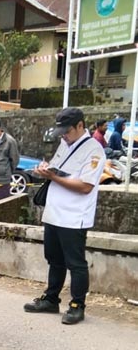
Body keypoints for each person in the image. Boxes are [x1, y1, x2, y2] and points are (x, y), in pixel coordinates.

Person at [24, 107, 106, 325]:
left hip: (74, 216)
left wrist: (54, 177)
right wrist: (44, 170)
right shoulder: (64, 144)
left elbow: (85, 185)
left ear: (80, 125)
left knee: (75, 263)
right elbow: (56, 168)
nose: (63, 135)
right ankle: (51, 299)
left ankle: (77, 305)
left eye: (66, 131)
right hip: (54, 212)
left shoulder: (94, 151)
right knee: (54, 260)